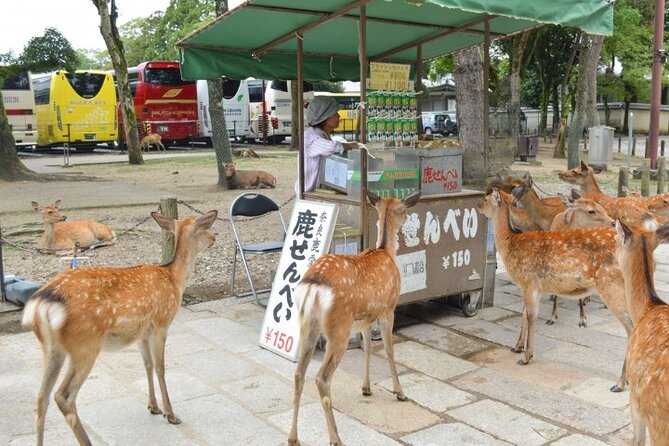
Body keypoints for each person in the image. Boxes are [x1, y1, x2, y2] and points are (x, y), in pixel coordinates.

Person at [295, 96, 361, 194]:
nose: (338, 116)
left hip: (318, 191)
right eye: (335, 113)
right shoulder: (309, 136)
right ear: (325, 118)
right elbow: (331, 147)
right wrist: (350, 145)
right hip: (307, 193)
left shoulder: (322, 135)